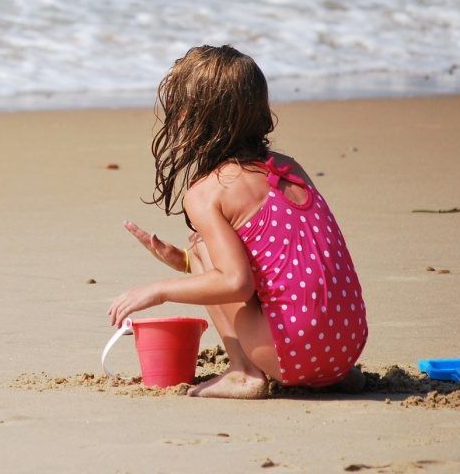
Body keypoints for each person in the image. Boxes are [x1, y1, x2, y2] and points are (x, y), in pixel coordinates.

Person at [108, 45, 368, 399]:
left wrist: (158, 289)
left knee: (201, 245)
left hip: (293, 354)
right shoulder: (289, 167)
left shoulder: (206, 193)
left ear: (188, 117)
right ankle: (330, 374)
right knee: (198, 252)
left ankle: (244, 372)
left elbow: (237, 284)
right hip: (347, 347)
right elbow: (290, 260)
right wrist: (186, 264)